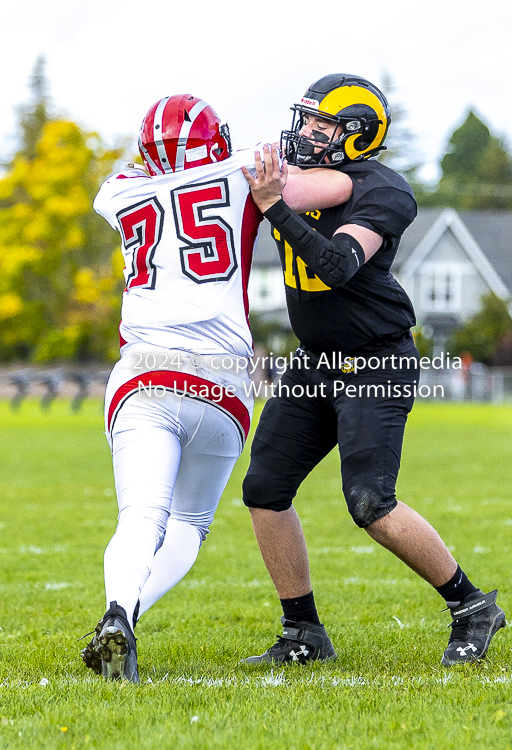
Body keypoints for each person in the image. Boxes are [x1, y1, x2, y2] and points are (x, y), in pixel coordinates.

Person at [81, 94, 352, 682]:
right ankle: (122, 619)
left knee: (141, 514)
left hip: (145, 372)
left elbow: (152, 175)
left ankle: (118, 613)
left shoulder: (119, 191)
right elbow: (333, 189)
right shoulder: (244, 173)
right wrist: (265, 172)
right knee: (186, 526)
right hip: (224, 384)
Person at [241, 74, 506, 667]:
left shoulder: (386, 191)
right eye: (304, 119)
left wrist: (273, 206)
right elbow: (266, 185)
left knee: (370, 502)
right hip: (317, 359)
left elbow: (336, 265)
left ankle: (472, 607)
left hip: (376, 359)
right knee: (264, 489)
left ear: (357, 135)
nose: (306, 132)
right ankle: (302, 632)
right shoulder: (306, 176)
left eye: (322, 124)